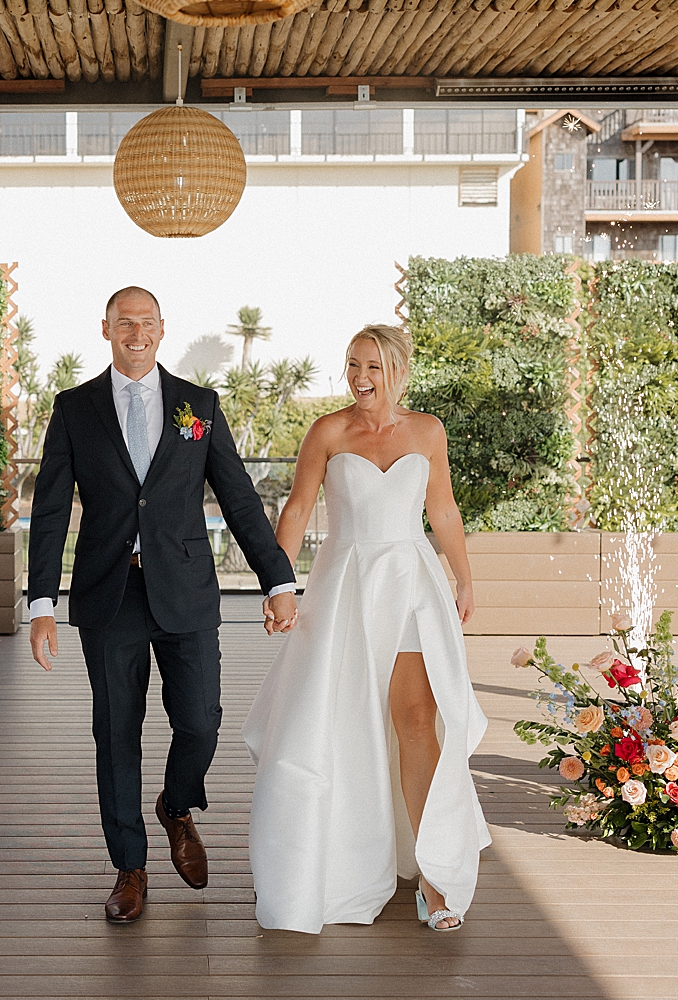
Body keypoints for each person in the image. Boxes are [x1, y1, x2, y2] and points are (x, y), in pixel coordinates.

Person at [27, 286, 299, 923]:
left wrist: (279, 581)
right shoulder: (73, 408)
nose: (137, 333)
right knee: (116, 733)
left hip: (185, 590)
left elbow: (237, 498)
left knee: (201, 720)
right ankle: (130, 868)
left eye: (146, 323)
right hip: (109, 593)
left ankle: (177, 806)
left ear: (162, 328)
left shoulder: (198, 406)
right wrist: (42, 601)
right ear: (106, 329)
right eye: (125, 324)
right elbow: (47, 510)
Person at [243, 323, 492, 935]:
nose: (360, 377)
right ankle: (343, 862)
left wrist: (463, 579)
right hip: (344, 589)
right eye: (353, 364)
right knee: (340, 720)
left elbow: (443, 511)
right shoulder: (328, 431)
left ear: (398, 369)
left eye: (373, 367)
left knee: (415, 724)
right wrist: (279, 587)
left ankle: (434, 876)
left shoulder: (426, 431)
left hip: (410, 586)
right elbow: (297, 508)